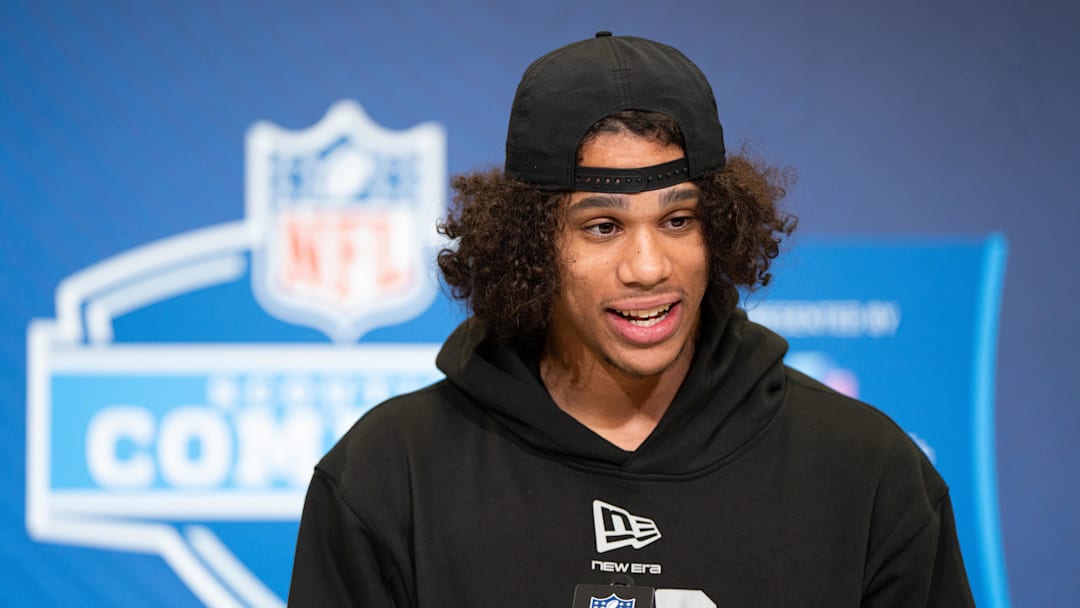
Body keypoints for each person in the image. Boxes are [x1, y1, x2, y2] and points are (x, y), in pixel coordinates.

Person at [288, 32, 975, 607]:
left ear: (723, 231)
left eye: (679, 220)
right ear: (531, 246)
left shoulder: (867, 472)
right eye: (602, 227)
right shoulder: (390, 474)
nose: (649, 266)